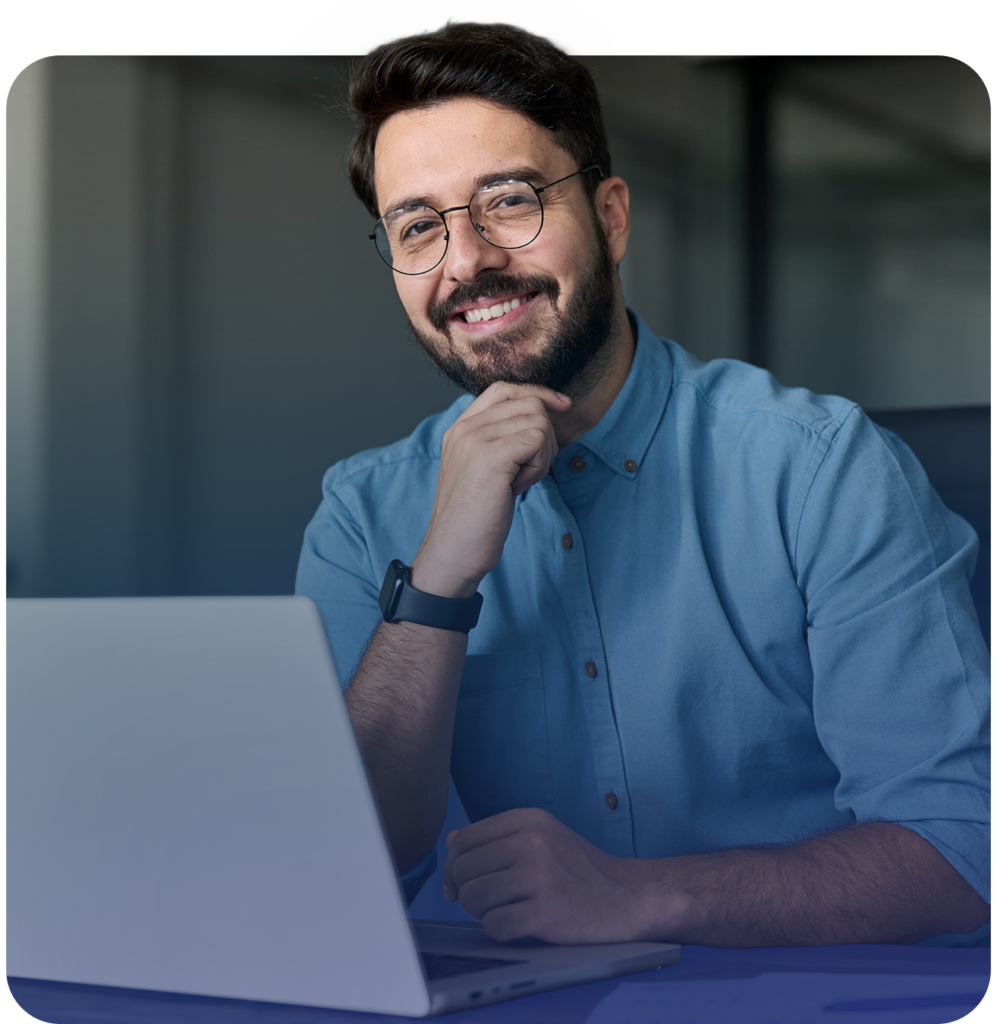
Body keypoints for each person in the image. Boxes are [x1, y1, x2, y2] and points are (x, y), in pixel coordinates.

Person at [296, 19, 996, 947]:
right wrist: (436, 584)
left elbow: (961, 854)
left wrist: (640, 895)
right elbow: (339, 867)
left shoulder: (820, 467)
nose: (464, 262)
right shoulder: (361, 512)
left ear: (612, 218)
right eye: (418, 226)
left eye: (507, 201)